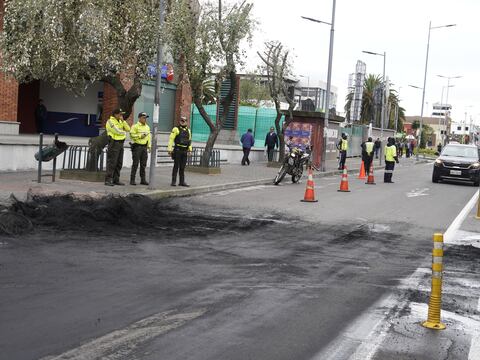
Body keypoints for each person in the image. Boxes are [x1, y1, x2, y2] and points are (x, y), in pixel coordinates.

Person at [105, 108, 130, 186]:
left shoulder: (120, 121)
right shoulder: (110, 121)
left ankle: (116, 179)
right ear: (115, 114)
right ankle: (108, 180)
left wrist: (123, 121)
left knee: (119, 163)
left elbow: (128, 129)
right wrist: (124, 133)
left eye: (121, 114)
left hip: (120, 144)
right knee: (112, 162)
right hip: (114, 143)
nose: (121, 115)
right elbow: (117, 131)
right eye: (120, 114)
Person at [168, 116, 192, 187]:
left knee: (182, 167)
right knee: (176, 166)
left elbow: (189, 141)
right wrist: (169, 149)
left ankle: (182, 182)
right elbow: (171, 139)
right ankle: (173, 181)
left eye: (184, 120)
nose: (182, 121)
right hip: (178, 150)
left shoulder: (188, 130)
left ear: (186, 122)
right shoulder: (176, 129)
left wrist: (190, 150)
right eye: (181, 120)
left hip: (184, 151)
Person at [129, 112, 151, 186]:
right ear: (139, 118)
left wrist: (149, 146)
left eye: (146, 118)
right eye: (143, 117)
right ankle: (132, 180)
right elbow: (131, 135)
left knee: (143, 164)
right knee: (135, 164)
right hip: (137, 147)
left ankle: (143, 180)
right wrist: (140, 136)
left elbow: (149, 137)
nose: (145, 119)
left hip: (144, 147)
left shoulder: (147, 127)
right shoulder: (135, 126)